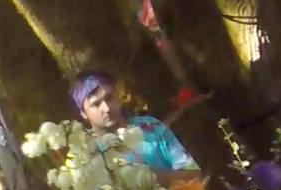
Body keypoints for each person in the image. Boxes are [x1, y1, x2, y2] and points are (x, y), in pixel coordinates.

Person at [68, 70, 196, 181]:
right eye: (96, 104)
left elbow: (195, 176)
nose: (106, 108)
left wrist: (152, 179)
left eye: (109, 98)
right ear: (83, 113)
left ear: (118, 95)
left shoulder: (150, 127)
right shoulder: (85, 155)